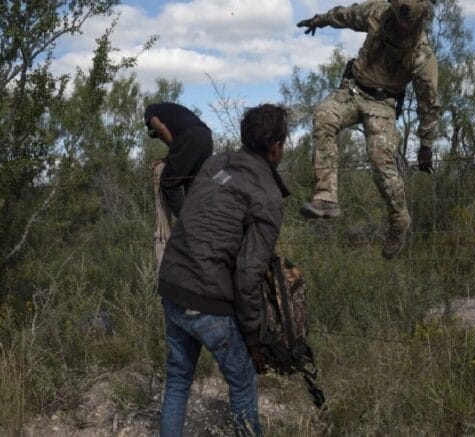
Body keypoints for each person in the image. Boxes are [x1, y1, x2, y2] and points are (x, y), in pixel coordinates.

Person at [157, 104, 290, 437]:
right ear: (276, 147)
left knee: (178, 378)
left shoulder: (215, 163)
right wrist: (253, 340)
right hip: (207, 298)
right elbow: (248, 274)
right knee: (243, 380)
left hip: (172, 282)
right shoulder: (268, 196)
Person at [297, 0, 440, 259]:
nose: (401, 26)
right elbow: (347, 15)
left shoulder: (421, 55)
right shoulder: (377, 13)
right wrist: (320, 19)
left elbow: (428, 103)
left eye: (407, 23)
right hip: (352, 91)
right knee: (324, 117)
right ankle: (325, 197)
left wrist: (426, 145)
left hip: (382, 104)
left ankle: (399, 219)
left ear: (419, 20)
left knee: (380, 160)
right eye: (398, 19)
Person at [145, 102, 214, 218]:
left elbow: (161, 128)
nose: (161, 138)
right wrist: (171, 157)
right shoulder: (172, 111)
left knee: (169, 181)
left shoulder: (150, 110)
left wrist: (172, 153)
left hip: (190, 137)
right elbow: (180, 151)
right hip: (206, 138)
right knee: (193, 184)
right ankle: (201, 222)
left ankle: (186, 223)